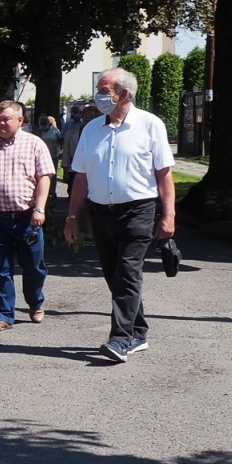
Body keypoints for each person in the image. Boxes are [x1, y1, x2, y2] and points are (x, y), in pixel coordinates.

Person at [63, 67, 176, 363]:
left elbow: (164, 175)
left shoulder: (150, 125)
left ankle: (121, 338)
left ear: (123, 93)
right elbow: (81, 177)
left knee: (127, 271)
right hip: (100, 212)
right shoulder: (91, 130)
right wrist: (73, 217)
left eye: (104, 90)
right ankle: (138, 331)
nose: (99, 96)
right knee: (115, 274)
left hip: (138, 210)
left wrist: (168, 215)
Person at [0, 100, 55, 333]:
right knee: (0, 267)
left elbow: (44, 177)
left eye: (6, 119)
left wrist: (40, 208)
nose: (1, 124)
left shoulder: (35, 144)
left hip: (27, 217)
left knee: (34, 266)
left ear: (20, 120)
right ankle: (5, 315)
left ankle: (35, 302)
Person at [31, 115, 63, 222]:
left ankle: (52, 192)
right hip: (39, 157)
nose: (43, 126)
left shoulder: (55, 131)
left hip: (53, 155)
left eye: (45, 123)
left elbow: (60, 140)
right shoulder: (38, 132)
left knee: (51, 175)